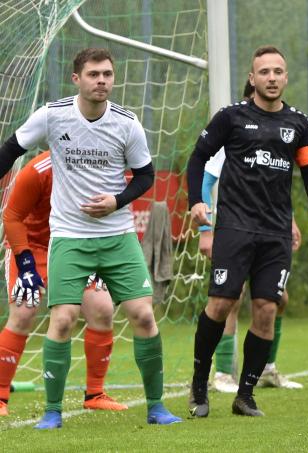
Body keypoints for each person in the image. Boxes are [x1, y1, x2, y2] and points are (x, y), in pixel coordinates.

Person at [0, 48, 182, 428]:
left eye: (108, 74)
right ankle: (51, 413)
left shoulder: (127, 124)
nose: (102, 81)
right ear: (77, 79)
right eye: (94, 74)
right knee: (61, 320)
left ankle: (156, 407)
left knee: (144, 315)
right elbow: (10, 150)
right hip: (69, 238)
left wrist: (117, 201)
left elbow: (146, 177)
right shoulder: (53, 117)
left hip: (118, 237)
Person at [186, 45, 308, 418]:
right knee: (221, 304)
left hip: (276, 232)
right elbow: (198, 157)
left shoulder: (298, 124)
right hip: (234, 227)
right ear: (252, 78)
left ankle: (245, 395)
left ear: (285, 77)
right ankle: (200, 383)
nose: (271, 78)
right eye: (264, 72)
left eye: (278, 72)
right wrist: (195, 203)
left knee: (266, 308)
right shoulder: (231, 117)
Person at [0, 151, 130, 417]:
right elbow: (11, 218)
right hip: (30, 249)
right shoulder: (38, 170)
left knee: (102, 308)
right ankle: (0, 396)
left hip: (73, 248)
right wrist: (25, 264)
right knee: (24, 312)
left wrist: (99, 256)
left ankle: (95, 394)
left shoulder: (99, 167)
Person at [201, 78, 304, 393]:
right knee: (230, 300)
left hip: (269, 229)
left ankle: (266, 368)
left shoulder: (279, 136)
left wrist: (292, 221)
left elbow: (274, 189)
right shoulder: (233, 134)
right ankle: (220, 374)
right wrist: (206, 229)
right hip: (233, 228)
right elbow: (206, 182)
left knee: (278, 300)